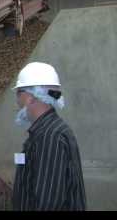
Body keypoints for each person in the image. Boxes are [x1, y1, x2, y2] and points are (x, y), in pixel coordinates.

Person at [12, 62, 86, 211]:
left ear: (31, 97)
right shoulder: (46, 132)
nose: (17, 100)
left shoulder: (50, 137)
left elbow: (48, 203)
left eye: (19, 92)